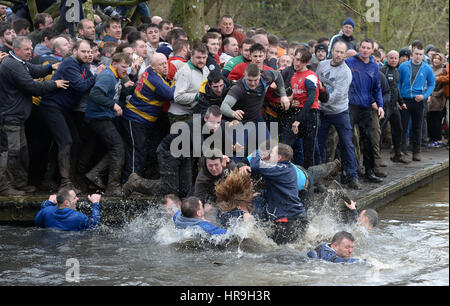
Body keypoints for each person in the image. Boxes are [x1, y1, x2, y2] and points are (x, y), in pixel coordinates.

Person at [0, 36, 68, 193]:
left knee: (22, 153)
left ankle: (19, 183)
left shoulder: (19, 62)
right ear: (15, 50)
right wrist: (54, 84)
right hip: (9, 117)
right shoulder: (11, 65)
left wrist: (51, 67)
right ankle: (4, 187)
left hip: (18, 117)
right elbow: (32, 87)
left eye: (31, 48)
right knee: (10, 154)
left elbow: (33, 69)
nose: (30, 52)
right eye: (26, 49)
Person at [39, 40, 103, 193]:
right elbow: (81, 86)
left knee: (74, 140)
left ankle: (56, 178)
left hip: (63, 109)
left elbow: (89, 83)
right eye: (84, 52)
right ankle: (65, 183)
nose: (88, 54)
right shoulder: (70, 63)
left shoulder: (83, 66)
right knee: (66, 141)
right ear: (75, 52)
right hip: (51, 106)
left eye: (90, 52)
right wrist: (97, 75)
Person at [123, 105, 225, 198]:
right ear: (205, 118)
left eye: (218, 123)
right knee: (169, 190)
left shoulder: (215, 126)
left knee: (185, 191)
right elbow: (201, 150)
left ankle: (184, 214)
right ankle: (136, 182)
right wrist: (220, 156)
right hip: (168, 152)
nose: (215, 126)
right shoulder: (195, 125)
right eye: (212, 122)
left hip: (184, 153)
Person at [84, 52, 133, 196]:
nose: (125, 70)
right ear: (115, 63)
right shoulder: (107, 76)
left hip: (104, 117)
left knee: (116, 146)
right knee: (118, 147)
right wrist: (113, 105)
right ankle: (112, 187)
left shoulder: (117, 76)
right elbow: (95, 94)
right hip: (98, 117)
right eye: (123, 67)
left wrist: (128, 85)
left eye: (128, 68)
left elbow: (115, 92)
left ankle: (95, 174)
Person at [120, 52, 174, 181]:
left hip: (143, 121)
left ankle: (136, 181)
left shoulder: (151, 71)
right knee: (136, 152)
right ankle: (128, 183)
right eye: (161, 65)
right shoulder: (154, 78)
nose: (165, 66)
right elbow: (171, 94)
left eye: (166, 63)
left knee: (142, 151)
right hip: (135, 118)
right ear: (153, 66)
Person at [242, 143, 308, 245]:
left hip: (290, 220)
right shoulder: (286, 168)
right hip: (295, 218)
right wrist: (259, 194)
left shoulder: (280, 168)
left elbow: (255, 166)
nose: (268, 155)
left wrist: (260, 151)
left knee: (282, 254)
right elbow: (278, 190)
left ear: (279, 157)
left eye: (271, 153)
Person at [316, 41, 361, 189]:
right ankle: (319, 177)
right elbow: (315, 85)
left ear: (345, 54)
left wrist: (321, 99)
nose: (338, 55)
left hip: (339, 111)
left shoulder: (346, 72)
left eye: (342, 52)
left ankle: (352, 176)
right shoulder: (322, 65)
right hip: (322, 111)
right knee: (320, 143)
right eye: (337, 51)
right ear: (332, 51)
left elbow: (336, 96)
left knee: (347, 143)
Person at [345, 38, 384, 183]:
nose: (365, 50)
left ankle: (369, 171)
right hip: (351, 105)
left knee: (368, 138)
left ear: (372, 50)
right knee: (348, 139)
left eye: (369, 48)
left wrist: (380, 105)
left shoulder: (374, 66)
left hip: (366, 106)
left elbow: (377, 88)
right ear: (359, 48)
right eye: (363, 47)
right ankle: (347, 172)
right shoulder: (350, 62)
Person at [280, 47, 324, 170]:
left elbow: (311, 99)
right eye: (296, 59)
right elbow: (296, 94)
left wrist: (298, 120)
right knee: (285, 145)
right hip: (296, 112)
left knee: (309, 150)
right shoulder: (294, 75)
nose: (297, 63)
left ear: (307, 62)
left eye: (301, 61)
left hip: (310, 114)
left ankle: (312, 180)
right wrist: (286, 99)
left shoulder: (311, 76)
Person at [398, 41, 435, 161]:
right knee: (403, 127)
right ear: (412, 54)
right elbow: (398, 83)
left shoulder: (427, 68)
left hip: (418, 101)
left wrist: (424, 96)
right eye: (416, 53)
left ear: (423, 54)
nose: (418, 56)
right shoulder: (403, 66)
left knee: (417, 127)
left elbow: (431, 84)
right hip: (405, 100)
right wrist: (398, 99)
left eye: (420, 54)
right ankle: (403, 152)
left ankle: (416, 152)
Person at [169, 42, 209, 125]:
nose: (201, 61)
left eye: (204, 57)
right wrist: (197, 96)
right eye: (198, 57)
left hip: (195, 113)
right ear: (191, 56)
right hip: (179, 115)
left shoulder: (205, 69)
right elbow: (177, 97)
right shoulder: (185, 72)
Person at [380, 50, 409, 163]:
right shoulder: (383, 70)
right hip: (384, 106)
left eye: (395, 58)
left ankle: (397, 154)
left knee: (399, 129)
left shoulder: (396, 71)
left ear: (398, 60)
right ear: (387, 58)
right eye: (391, 58)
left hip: (394, 106)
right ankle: (378, 159)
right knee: (380, 132)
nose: (393, 60)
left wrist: (401, 102)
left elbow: (396, 89)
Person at [34, 188, 102, 231]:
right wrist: (95, 203)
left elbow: (38, 221)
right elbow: (94, 225)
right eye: (74, 198)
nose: (77, 199)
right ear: (66, 203)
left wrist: (49, 202)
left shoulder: (46, 212)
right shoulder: (79, 217)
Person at [427, 53, 447, 147]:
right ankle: (431, 138)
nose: (436, 60)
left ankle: (437, 139)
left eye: (438, 59)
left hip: (438, 98)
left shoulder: (443, 71)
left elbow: (445, 86)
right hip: (429, 98)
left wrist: (437, 94)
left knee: (437, 120)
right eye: (434, 58)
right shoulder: (430, 69)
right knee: (430, 119)